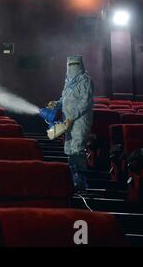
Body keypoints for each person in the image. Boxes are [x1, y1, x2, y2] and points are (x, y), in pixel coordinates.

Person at [48, 56, 94, 191]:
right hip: (68, 120)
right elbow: (65, 98)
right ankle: (73, 179)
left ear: (80, 65)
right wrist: (56, 103)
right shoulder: (69, 80)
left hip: (80, 121)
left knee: (77, 149)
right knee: (69, 150)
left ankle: (81, 182)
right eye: (70, 64)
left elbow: (85, 102)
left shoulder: (85, 80)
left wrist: (72, 117)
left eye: (74, 64)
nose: (72, 67)